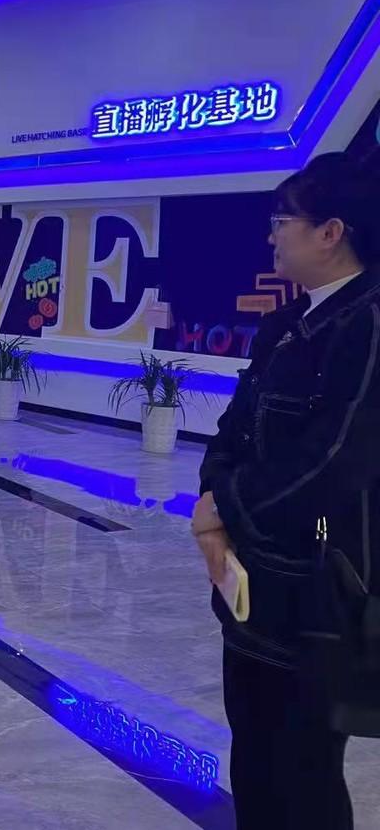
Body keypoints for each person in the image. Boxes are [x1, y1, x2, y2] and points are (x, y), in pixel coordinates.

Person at [195, 152, 380, 829]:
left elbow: (332, 460)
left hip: (319, 598)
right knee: (254, 757)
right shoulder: (287, 323)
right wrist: (213, 506)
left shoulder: (366, 325)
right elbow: (234, 429)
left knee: (304, 774)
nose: (271, 234)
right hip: (253, 589)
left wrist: (225, 506)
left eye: (283, 220)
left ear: (331, 232)